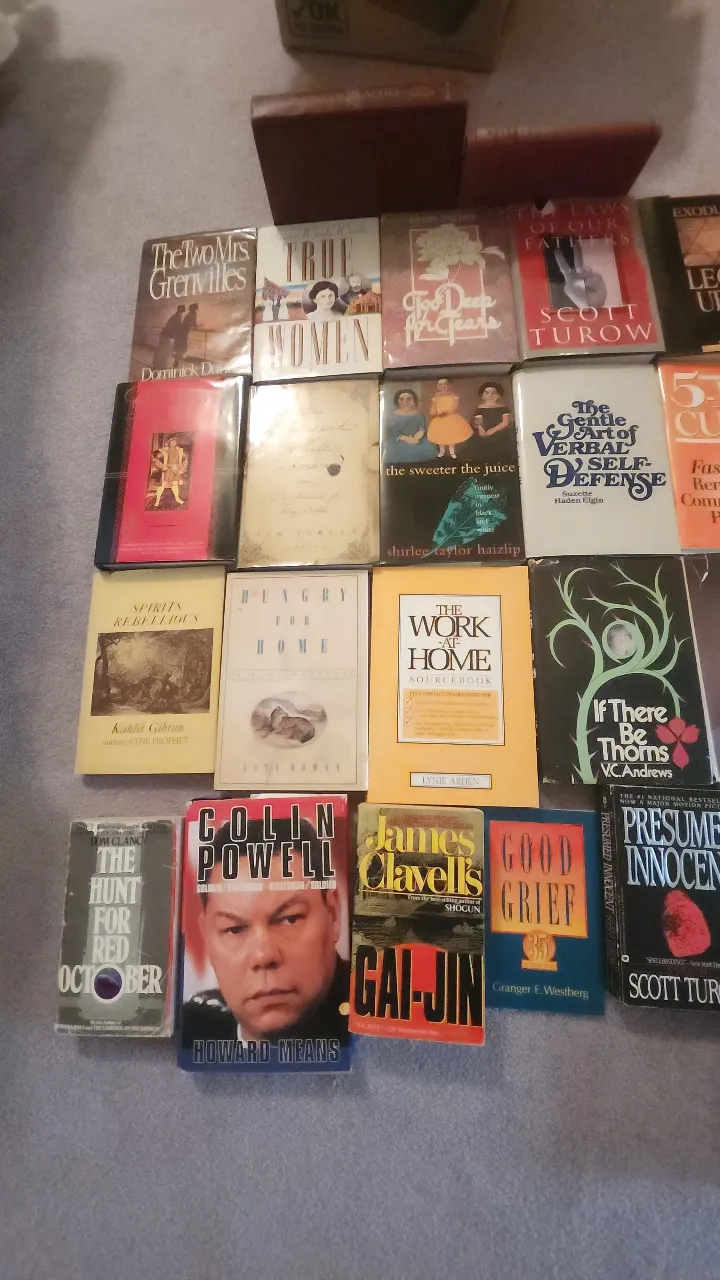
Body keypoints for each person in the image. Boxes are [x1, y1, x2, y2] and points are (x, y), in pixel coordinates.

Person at [181, 817, 349, 1048]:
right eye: (234, 929)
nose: (264, 955)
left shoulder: (379, 1026)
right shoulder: (195, 1029)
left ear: (333, 914)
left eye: (290, 919)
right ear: (207, 938)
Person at [382, 388, 436, 464]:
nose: (405, 402)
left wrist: (417, 437)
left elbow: (422, 428)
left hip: (417, 440)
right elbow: (395, 433)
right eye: (401, 399)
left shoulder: (419, 414)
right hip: (399, 442)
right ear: (397, 401)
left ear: (414, 400)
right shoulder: (393, 416)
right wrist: (409, 439)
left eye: (409, 399)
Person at [426, 377, 473, 460]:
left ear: (450, 385)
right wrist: (434, 413)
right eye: (440, 384)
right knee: (440, 435)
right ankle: (442, 451)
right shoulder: (436, 397)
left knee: (451, 435)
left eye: (446, 384)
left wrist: (446, 412)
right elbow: (433, 407)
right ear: (437, 386)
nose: (443, 386)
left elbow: (455, 407)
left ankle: (452, 452)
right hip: (439, 418)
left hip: (451, 418)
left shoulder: (453, 396)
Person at [471, 381, 516, 462]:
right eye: (487, 393)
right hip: (484, 433)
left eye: (494, 393)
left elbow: (505, 423)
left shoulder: (503, 408)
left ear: (499, 395)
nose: (490, 395)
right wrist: (482, 431)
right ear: (482, 395)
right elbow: (478, 423)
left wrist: (491, 431)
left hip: (500, 433)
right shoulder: (480, 408)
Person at [152, 436, 187, 508]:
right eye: (172, 441)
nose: (174, 443)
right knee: (162, 485)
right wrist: (163, 466)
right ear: (169, 443)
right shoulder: (165, 450)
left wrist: (182, 468)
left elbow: (185, 459)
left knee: (175, 484)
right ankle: (157, 501)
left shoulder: (179, 450)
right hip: (168, 470)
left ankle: (177, 498)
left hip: (176, 470)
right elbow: (155, 458)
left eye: (175, 441)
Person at [152, 305, 185, 370]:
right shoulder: (178, 317)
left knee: (160, 350)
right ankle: (162, 366)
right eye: (184, 309)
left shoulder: (173, 316)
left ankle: (155, 365)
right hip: (169, 336)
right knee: (166, 352)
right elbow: (179, 327)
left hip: (164, 334)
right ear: (182, 310)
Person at [173, 302, 199, 366]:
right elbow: (194, 325)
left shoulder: (189, 314)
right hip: (183, 333)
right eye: (193, 308)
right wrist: (198, 326)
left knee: (180, 348)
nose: (194, 309)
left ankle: (176, 362)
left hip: (182, 332)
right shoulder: (192, 315)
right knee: (181, 348)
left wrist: (195, 326)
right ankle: (176, 362)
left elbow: (191, 323)